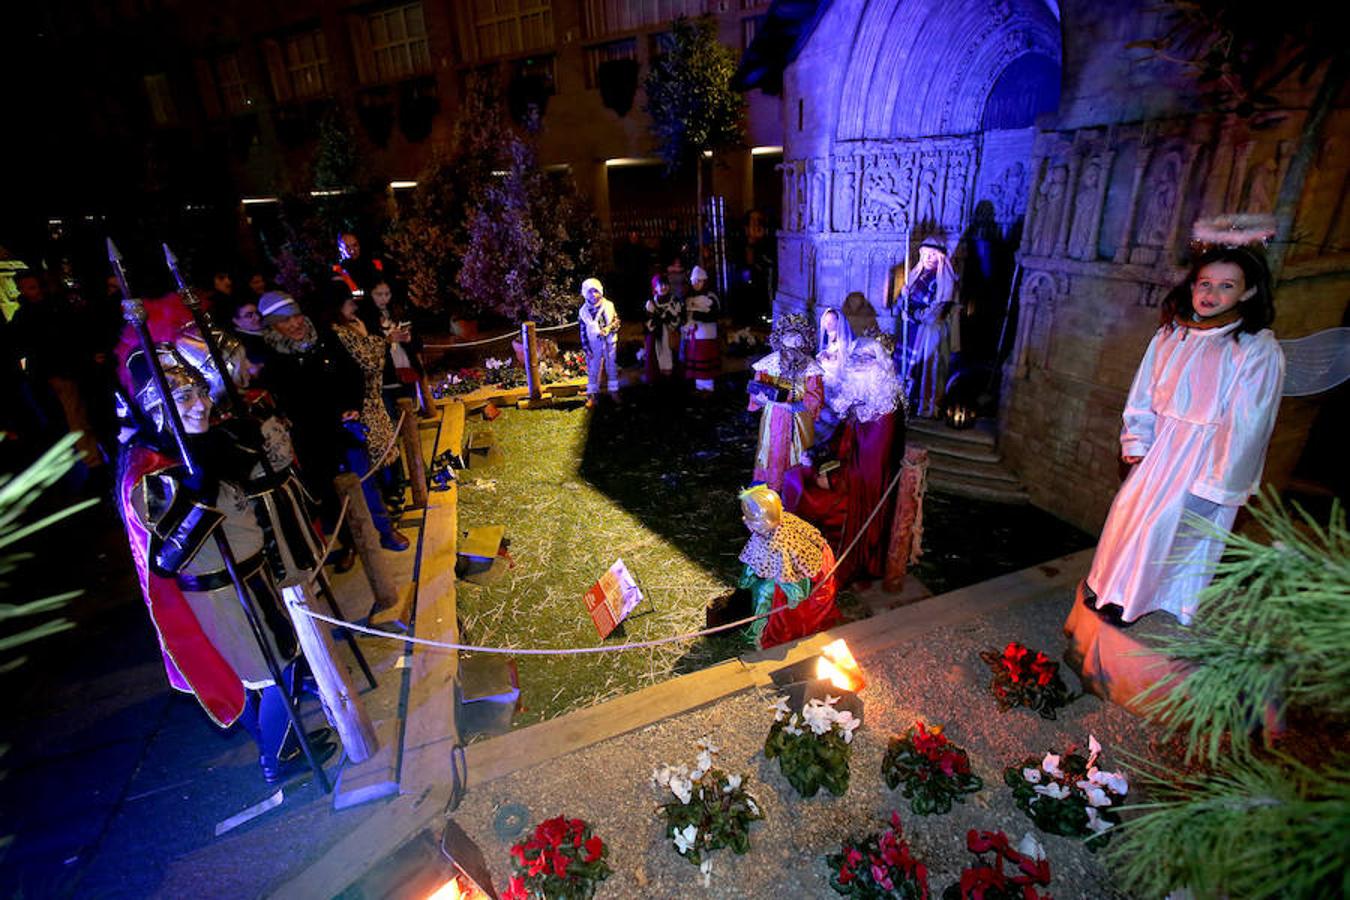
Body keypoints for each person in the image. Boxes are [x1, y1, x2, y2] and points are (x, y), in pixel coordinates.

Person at [116, 347, 336, 784]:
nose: (202, 403)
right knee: (274, 672)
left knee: (275, 667)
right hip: (221, 593)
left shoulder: (199, 446)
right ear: (158, 411)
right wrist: (194, 495)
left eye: (200, 392)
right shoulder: (152, 472)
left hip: (251, 576)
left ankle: (284, 743)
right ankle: (276, 759)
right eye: (184, 399)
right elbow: (163, 559)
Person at [1080, 236, 1284, 626]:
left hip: (1202, 455)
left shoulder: (1255, 348)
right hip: (1162, 448)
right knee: (1129, 516)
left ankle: (1135, 603)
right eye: (1205, 283)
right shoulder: (1173, 334)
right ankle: (1112, 589)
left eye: (1227, 286)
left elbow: (1249, 421)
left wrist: (1221, 481)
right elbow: (1143, 393)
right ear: (1192, 285)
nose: (1211, 293)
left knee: (1167, 530)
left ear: (1249, 292)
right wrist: (1137, 440)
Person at [260, 291, 410, 556]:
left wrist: (353, 405)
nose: (294, 324)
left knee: (366, 483)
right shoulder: (273, 361)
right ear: (273, 326)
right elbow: (288, 402)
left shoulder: (326, 339)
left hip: (346, 428)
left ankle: (385, 531)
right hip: (314, 438)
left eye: (295, 316)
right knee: (332, 495)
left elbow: (353, 373)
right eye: (285, 321)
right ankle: (351, 544)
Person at [782, 337, 905, 585]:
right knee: (794, 476)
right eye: (856, 358)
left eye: (868, 359)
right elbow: (840, 441)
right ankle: (795, 551)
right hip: (845, 473)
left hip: (860, 493)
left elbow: (870, 472)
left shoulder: (885, 415)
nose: (860, 364)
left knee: (807, 491)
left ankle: (821, 559)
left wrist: (833, 478)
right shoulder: (858, 402)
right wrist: (817, 457)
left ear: (881, 366)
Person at [737, 484, 841, 649]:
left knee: (765, 593)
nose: (743, 520)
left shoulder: (780, 545)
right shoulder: (781, 518)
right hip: (806, 563)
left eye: (746, 518)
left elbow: (791, 583)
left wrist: (791, 595)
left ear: (757, 524)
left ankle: (762, 625)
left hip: (804, 577)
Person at [748, 313, 824, 492]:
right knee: (771, 450)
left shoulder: (811, 370)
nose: (791, 355)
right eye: (787, 349)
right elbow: (756, 392)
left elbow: (815, 399)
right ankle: (769, 491)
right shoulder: (769, 364)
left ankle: (793, 492)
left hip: (798, 422)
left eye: (796, 349)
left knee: (796, 455)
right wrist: (759, 399)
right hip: (772, 420)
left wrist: (790, 406)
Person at [894, 239, 958, 417]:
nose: (929, 258)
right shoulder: (917, 275)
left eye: (933, 254)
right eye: (926, 254)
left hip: (928, 332)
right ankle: (904, 401)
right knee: (905, 365)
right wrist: (903, 297)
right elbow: (903, 302)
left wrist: (913, 315)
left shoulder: (943, 280)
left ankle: (924, 406)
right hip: (911, 329)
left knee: (925, 366)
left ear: (940, 257)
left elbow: (936, 310)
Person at [358, 278, 427, 417]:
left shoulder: (398, 311)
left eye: (387, 294)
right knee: (392, 417)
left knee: (411, 416)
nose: (384, 299)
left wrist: (408, 339)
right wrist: (388, 340)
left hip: (407, 371)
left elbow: (417, 342)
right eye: (379, 294)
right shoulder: (365, 320)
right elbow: (367, 349)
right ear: (370, 294)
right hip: (385, 378)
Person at [814, 307, 855, 449]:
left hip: (836, 384)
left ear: (839, 323)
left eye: (831, 321)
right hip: (824, 381)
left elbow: (844, 365)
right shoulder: (829, 342)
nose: (828, 324)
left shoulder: (843, 342)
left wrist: (829, 359)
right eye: (826, 321)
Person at [578, 277, 620, 408]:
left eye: (596, 291)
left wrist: (609, 328)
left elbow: (617, 322)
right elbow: (583, 331)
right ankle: (592, 395)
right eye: (590, 292)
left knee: (611, 367)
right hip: (593, 343)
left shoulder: (609, 305)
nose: (593, 295)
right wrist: (586, 348)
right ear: (585, 293)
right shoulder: (583, 311)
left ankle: (614, 392)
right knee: (593, 369)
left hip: (609, 342)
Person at [682, 265, 721, 393]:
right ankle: (699, 388)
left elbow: (713, 315)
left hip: (706, 336)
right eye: (694, 281)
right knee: (696, 363)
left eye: (699, 281)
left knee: (705, 362)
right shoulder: (688, 298)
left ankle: (708, 388)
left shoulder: (711, 297)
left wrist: (696, 315)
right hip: (693, 336)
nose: (696, 284)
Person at [644, 273, 682, 382]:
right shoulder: (651, 303)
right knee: (656, 367)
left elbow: (678, 320)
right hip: (656, 338)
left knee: (672, 365)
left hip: (671, 336)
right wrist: (659, 321)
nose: (663, 287)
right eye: (660, 285)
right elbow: (648, 323)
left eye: (665, 284)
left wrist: (670, 321)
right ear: (655, 287)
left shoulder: (674, 302)